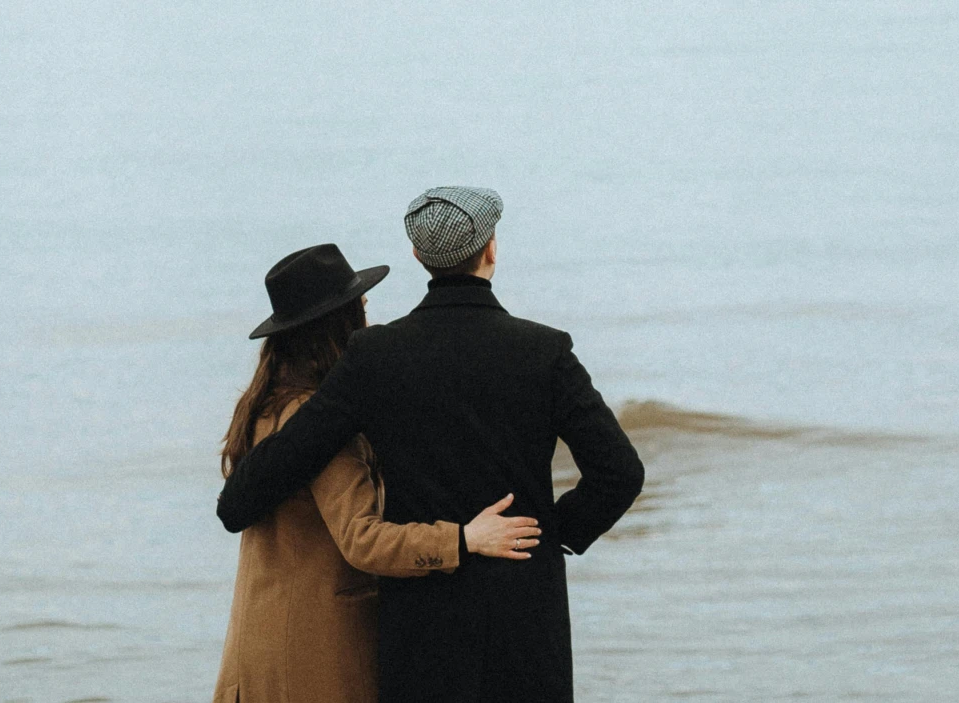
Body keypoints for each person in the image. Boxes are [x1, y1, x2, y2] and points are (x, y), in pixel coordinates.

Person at [218, 189, 644, 703]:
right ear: (492, 249)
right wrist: (551, 535)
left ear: (419, 258)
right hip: (525, 615)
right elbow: (619, 472)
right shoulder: (544, 349)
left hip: (421, 624)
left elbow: (262, 481)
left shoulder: (374, 357)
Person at [213, 242, 541, 703]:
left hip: (261, 650)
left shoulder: (266, 406)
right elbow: (362, 540)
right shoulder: (320, 424)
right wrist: (465, 539)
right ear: (339, 324)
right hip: (314, 661)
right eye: (362, 309)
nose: (369, 324)